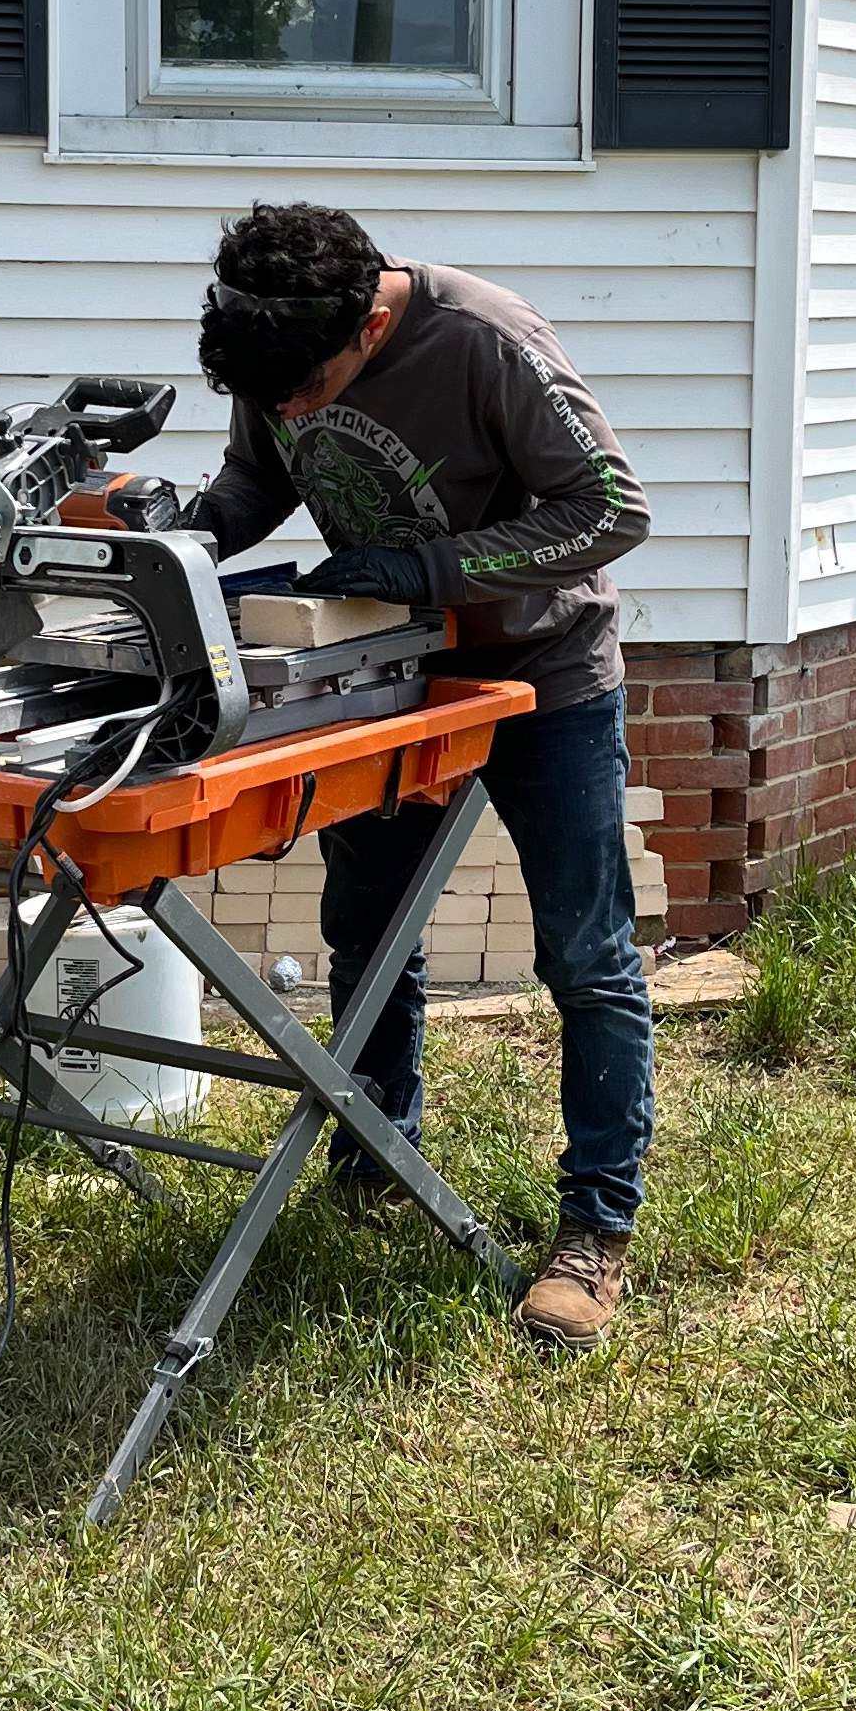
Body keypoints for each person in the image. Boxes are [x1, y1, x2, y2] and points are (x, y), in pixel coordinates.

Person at [183, 202, 654, 1349]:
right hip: (387, 673)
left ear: (368, 323)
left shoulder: (485, 341)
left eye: (303, 390)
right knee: (371, 930)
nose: (290, 412)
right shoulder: (276, 345)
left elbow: (612, 509)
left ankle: (596, 1231)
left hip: (544, 673)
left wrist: (434, 566)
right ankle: (376, 1159)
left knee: (585, 958)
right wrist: (185, 529)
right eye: (270, 397)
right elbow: (257, 485)